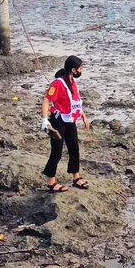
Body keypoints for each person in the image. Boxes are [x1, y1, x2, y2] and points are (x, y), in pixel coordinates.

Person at [41, 55, 89, 193]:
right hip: (58, 121)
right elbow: (46, 101)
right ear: (74, 70)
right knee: (56, 152)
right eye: (81, 68)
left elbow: (76, 102)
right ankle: (51, 182)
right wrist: (45, 120)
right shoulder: (57, 84)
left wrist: (84, 117)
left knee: (74, 148)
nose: (82, 70)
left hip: (70, 121)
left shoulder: (73, 82)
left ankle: (76, 177)